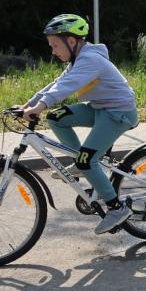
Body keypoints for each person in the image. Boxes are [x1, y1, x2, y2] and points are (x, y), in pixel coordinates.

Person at [20, 14, 139, 234]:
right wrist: (29, 104)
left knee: (87, 160)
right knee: (56, 117)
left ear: (71, 41)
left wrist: (40, 106)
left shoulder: (90, 59)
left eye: (55, 45)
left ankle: (117, 208)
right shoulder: (79, 59)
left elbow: (67, 87)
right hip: (99, 108)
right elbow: (58, 83)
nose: (53, 51)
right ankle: (81, 164)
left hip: (118, 113)